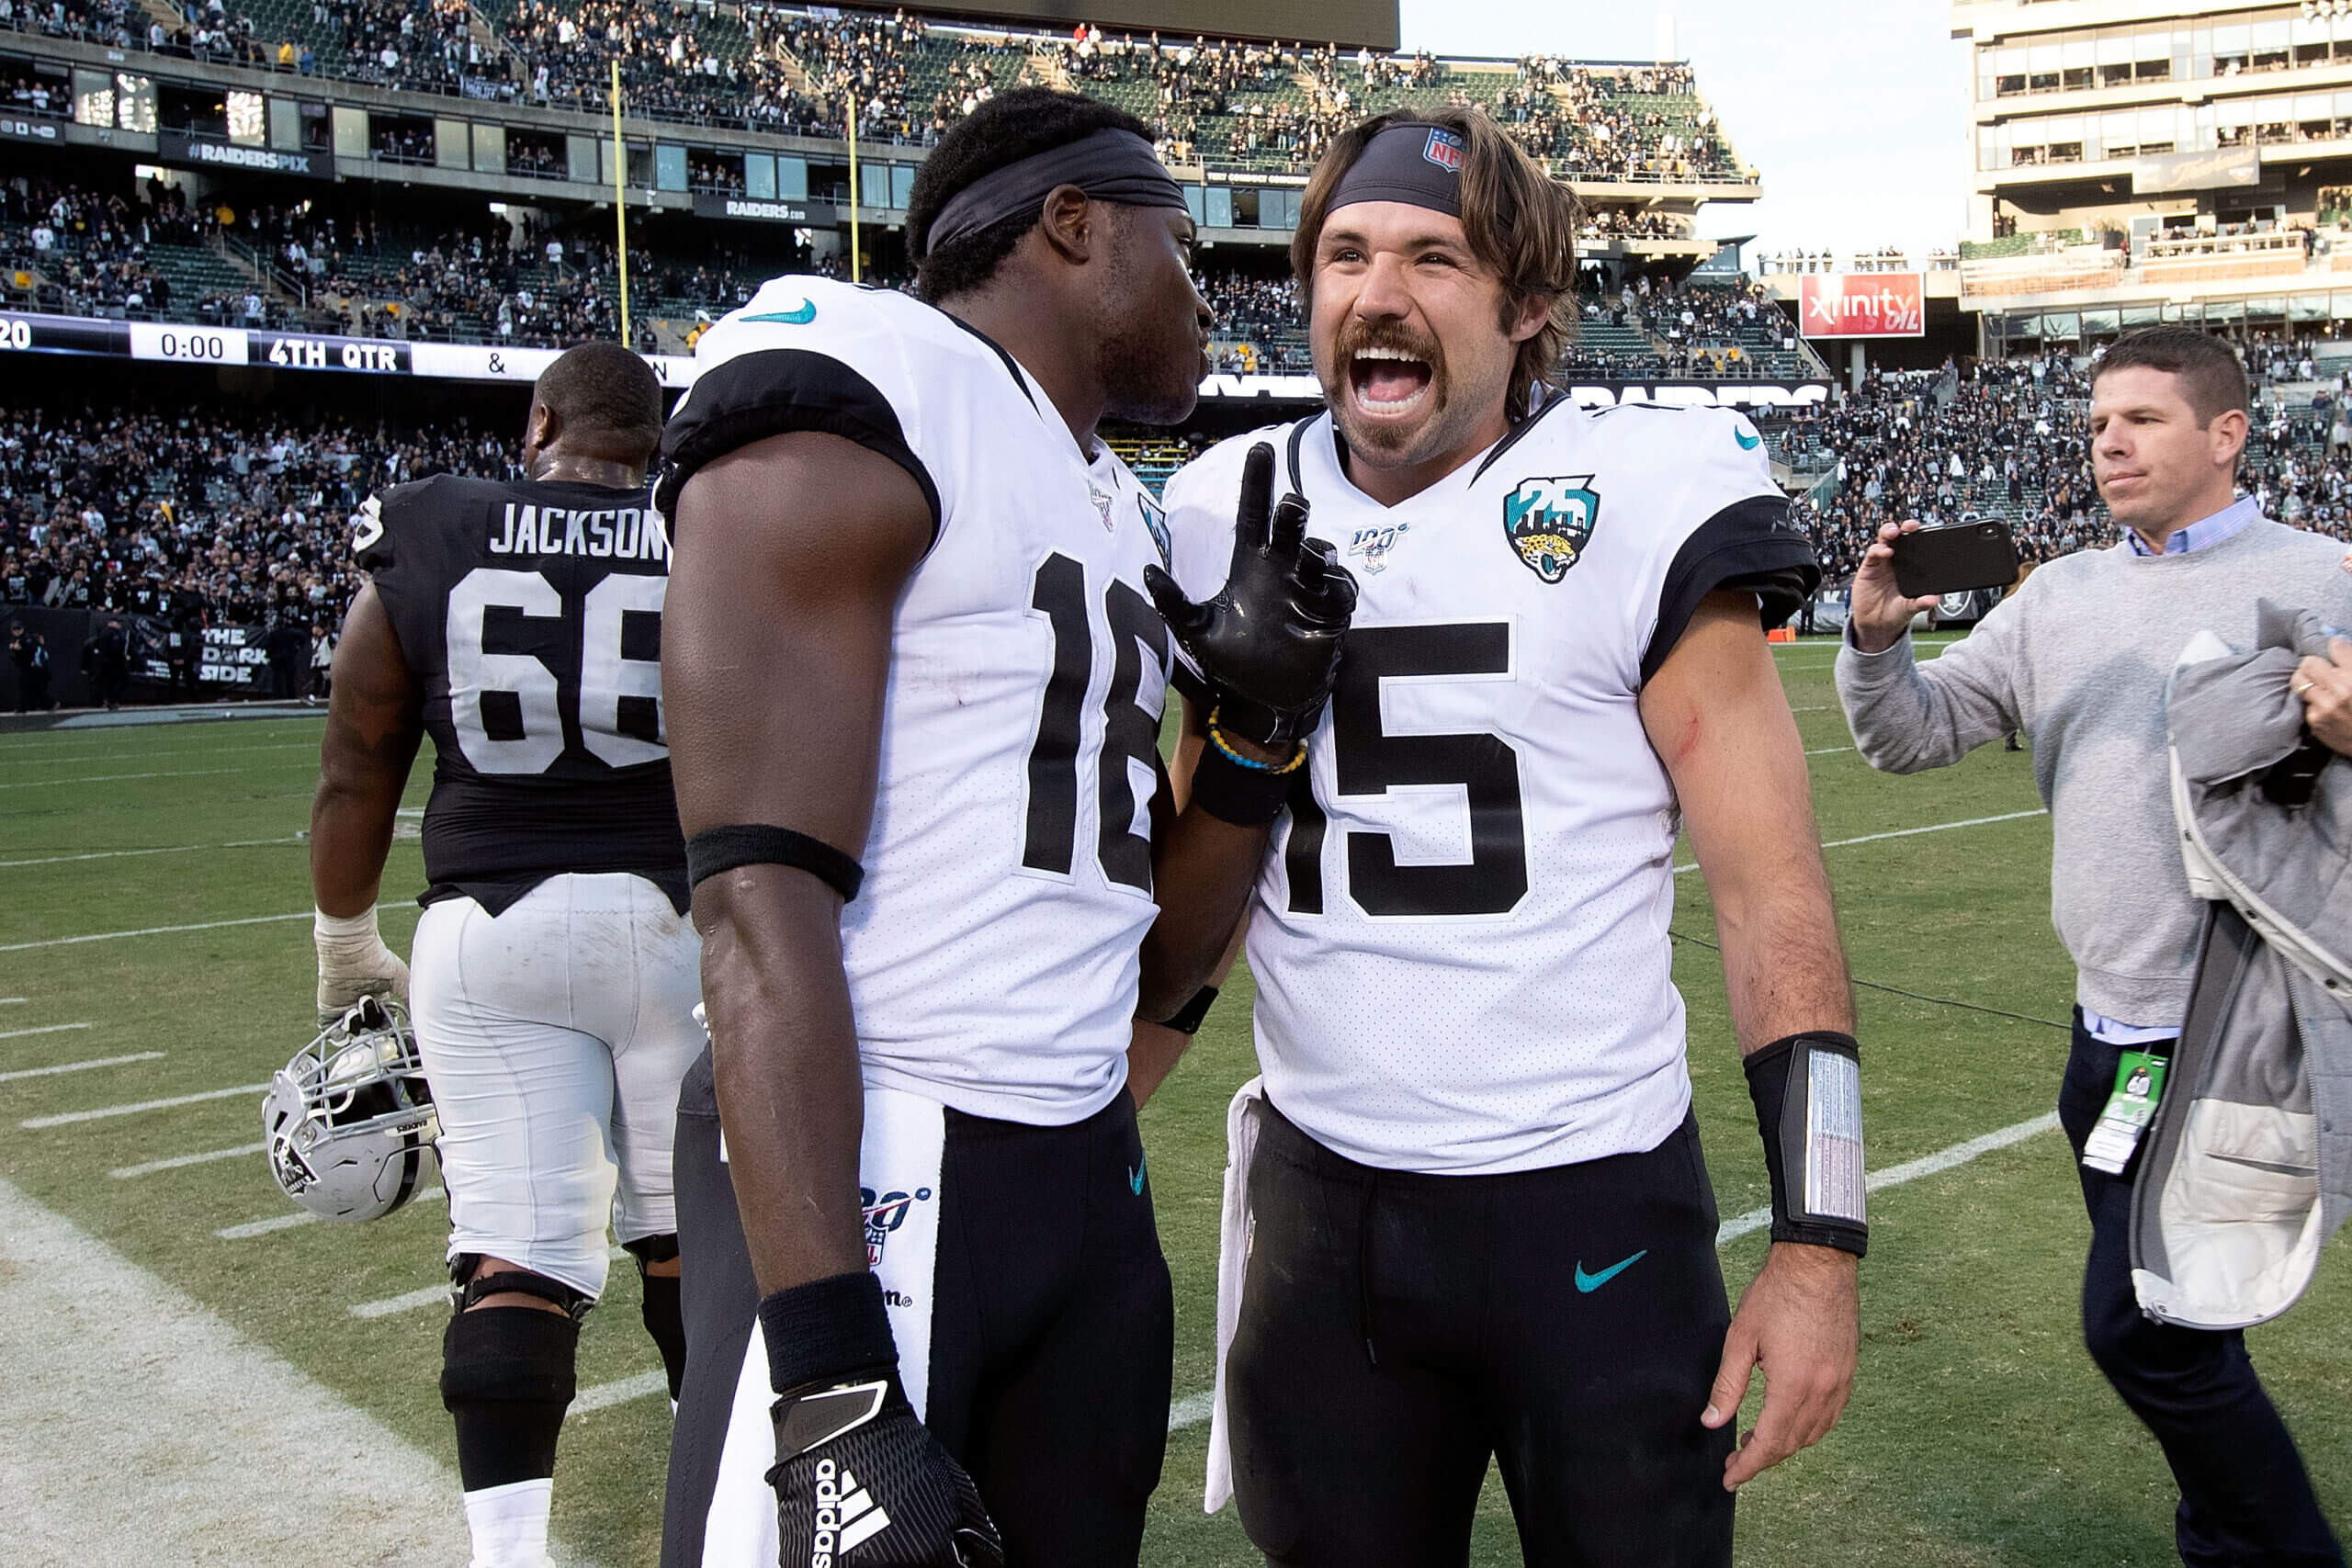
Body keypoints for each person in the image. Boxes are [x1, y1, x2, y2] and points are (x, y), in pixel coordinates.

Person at [654, 88, 1352, 1568]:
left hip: (1080, 1169)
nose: (1203, 295)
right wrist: (834, 1382)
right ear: (1073, 223)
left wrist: (1252, 741)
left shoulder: (1118, 506)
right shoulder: (880, 371)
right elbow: (752, 900)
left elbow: (1158, 960)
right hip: (886, 1152)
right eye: (1179, 245)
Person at [1157, 107, 1862, 1568]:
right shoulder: (1225, 502)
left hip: (1588, 1202)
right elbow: (1197, 887)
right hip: (1323, 1205)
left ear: (1531, 305)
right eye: (1345, 254)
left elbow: (1770, 889)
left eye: (1435, 256)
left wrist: (1822, 1241)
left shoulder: (1639, 490)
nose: (1378, 293)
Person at [1838, 324, 2352, 1568]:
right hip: (2108, 1035)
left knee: (2146, 1335)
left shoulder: (2331, 578)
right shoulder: (2056, 596)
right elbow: (1911, 738)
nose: (2108, 442)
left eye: (2143, 419)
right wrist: (1873, 638)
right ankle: (2224, 1538)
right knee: (2184, 1319)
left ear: (2228, 434)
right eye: (2097, 423)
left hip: (2246, 1026)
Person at [309, 342, 700, 1568]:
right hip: (680, 924)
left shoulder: (435, 524)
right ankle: (721, 1515)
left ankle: (509, 1552)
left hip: (490, 925)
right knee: (695, 1240)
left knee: (516, 1249)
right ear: (657, 441)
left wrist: (342, 945)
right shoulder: (708, 532)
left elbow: (361, 749)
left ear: (539, 424)